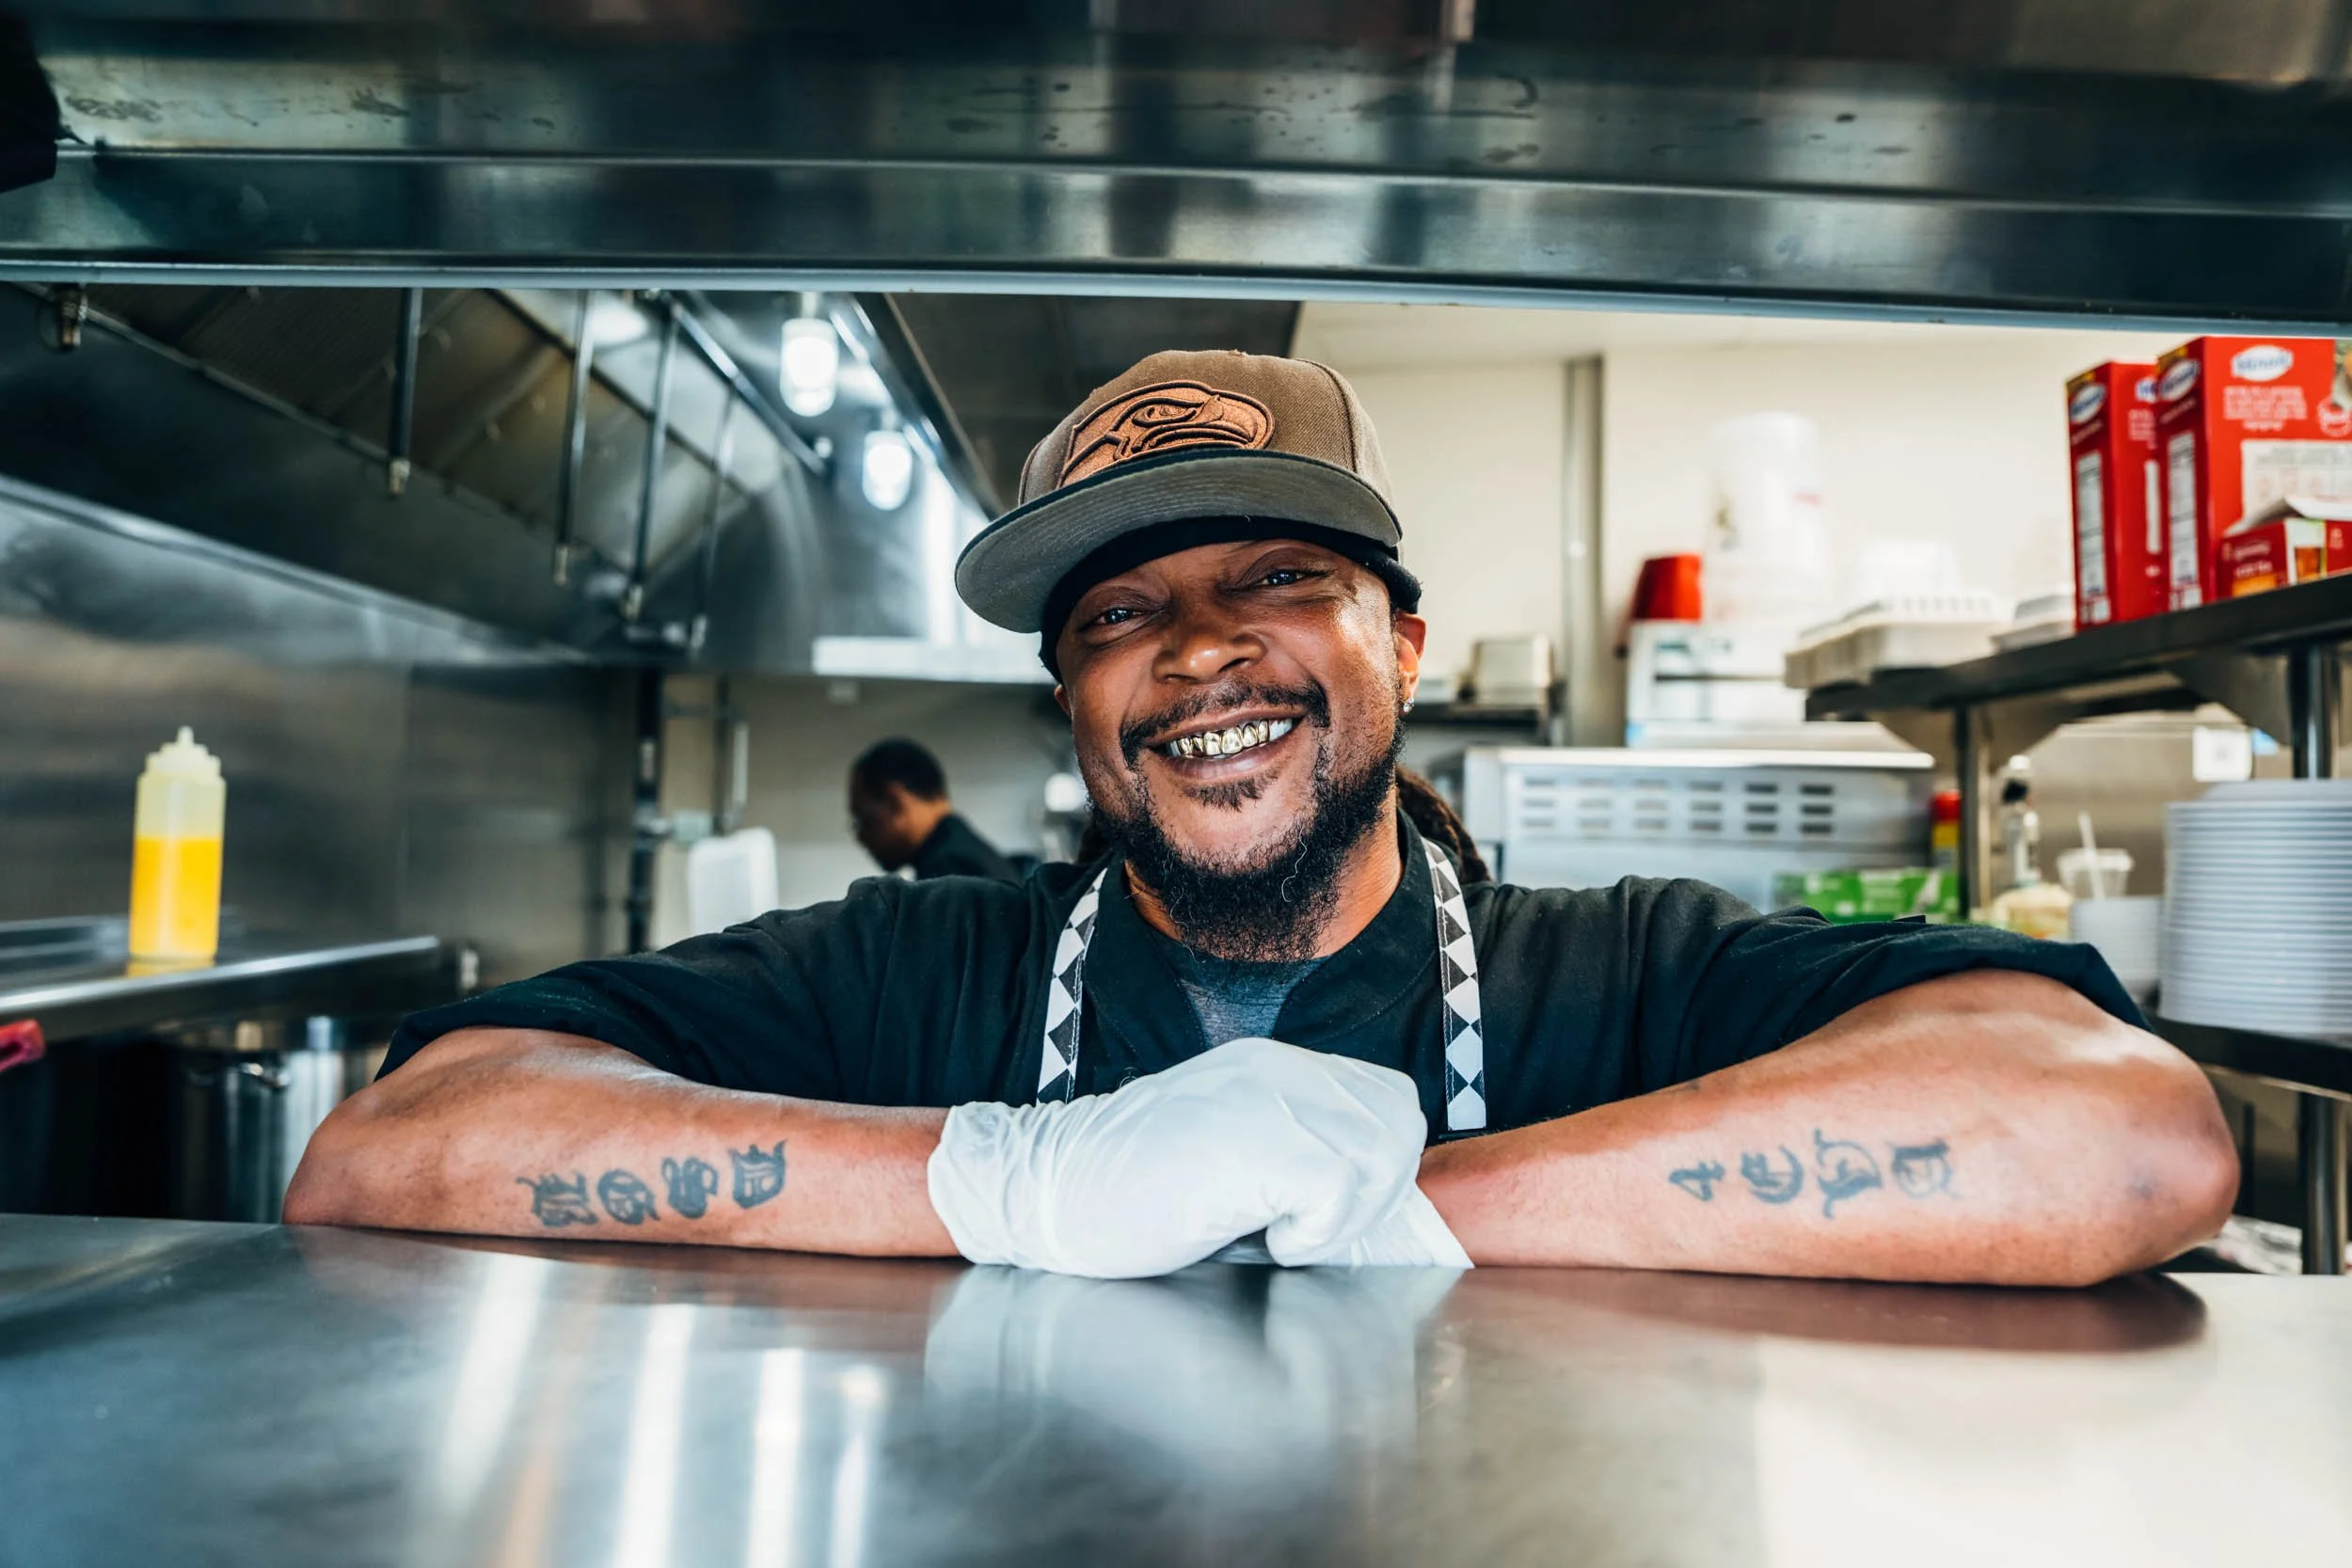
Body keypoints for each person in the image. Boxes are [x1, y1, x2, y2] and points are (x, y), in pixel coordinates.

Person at [289, 350, 2236, 1285]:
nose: (1199, 651)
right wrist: (995, 1176)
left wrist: (1413, 1204)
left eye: (1273, 584)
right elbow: (388, 1154)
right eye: (1121, 611)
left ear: (1399, 634)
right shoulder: (913, 972)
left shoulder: (1621, 972)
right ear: (1071, 701)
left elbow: (2124, 1136)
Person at [847, 737, 1020, 883]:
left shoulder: (950, 870)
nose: (861, 837)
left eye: (865, 820)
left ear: (895, 801)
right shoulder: (969, 853)